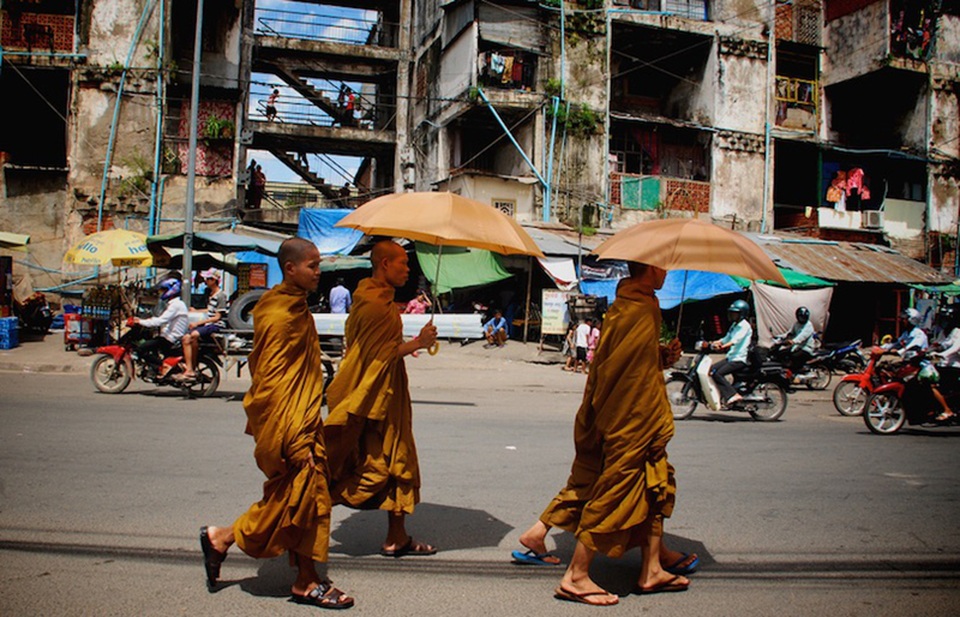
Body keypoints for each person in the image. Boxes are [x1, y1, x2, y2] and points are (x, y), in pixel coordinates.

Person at [513, 263, 691, 605]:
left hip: (625, 415)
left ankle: (654, 564)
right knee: (612, 490)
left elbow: (627, 362)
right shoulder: (638, 309)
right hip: (632, 418)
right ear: (651, 268)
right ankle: (577, 575)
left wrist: (661, 357)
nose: (667, 273)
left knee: (655, 483)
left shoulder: (628, 304)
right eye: (663, 266)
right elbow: (624, 375)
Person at [199, 238, 354, 609]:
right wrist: (285, 430)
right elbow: (267, 377)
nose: (319, 272)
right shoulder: (277, 311)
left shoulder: (295, 305)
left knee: (294, 497)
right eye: (313, 266)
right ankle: (306, 581)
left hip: (304, 414)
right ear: (291, 269)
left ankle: (222, 537)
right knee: (309, 495)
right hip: (290, 421)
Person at [324, 240, 439, 557]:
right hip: (373, 396)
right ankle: (312, 501)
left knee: (400, 460)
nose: (407, 269)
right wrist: (418, 342)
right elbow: (378, 355)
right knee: (378, 467)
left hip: (389, 391)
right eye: (403, 263)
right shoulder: (374, 304)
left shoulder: (378, 298)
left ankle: (397, 537)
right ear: (385, 264)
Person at [130, 278, 189, 376]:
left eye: (163, 290)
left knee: (140, 349)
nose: (161, 293)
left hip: (170, 338)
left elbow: (161, 320)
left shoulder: (176, 305)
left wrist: (140, 321)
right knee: (152, 346)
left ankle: (161, 366)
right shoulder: (174, 304)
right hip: (168, 335)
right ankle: (155, 369)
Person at [179, 269, 227, 381]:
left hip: (216, 325)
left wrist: (197, 323)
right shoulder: (210, 294)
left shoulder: (221, 296)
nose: (206, 281)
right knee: (186, 338)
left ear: (214, 281)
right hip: (208, 324)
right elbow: (209, 310)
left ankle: (191, 368)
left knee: (193, 335)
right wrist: (195, 311)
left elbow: (217, 317)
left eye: (208, 279)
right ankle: (191, 367)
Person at [709, 299, 753, 407]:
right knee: (711, 370)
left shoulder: (744, 326)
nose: (732, 315)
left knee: (718, 373)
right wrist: (715, 342)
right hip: (731, 357)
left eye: (735, 313)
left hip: (739, 359)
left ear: (741, 314)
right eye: (732, 313)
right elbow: (727, 338)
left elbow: (735, 340)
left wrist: (723, 347)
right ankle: (721, 394)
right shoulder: (734, 325)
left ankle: (732, 395)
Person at [777, 306, 817, 374]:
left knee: (794, 356)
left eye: (804, 317)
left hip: (806, 348)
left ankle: (796, 372)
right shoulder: (796, 324)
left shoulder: (808, 326)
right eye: (801, 317)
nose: (802, 319)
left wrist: (793, 341)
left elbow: (802, 336)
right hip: (797, 346)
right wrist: (780, 337)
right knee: (782, 353)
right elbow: (790, 333)